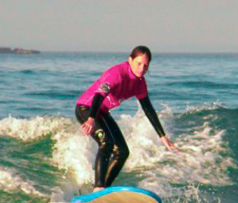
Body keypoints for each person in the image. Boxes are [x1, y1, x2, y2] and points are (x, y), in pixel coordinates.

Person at [75, 46, 178, 192]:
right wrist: (91, 119)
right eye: (138, 63)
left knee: (122, 152)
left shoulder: (140, 83)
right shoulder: (116, 74)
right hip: (87, 109)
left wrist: (162, 136)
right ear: (130, 60)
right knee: (106, 143)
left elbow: (148, 108)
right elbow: (98, 96)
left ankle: (104, 190)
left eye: (145, 65)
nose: (142, 68)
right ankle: (98, 188)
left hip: (102, 112)